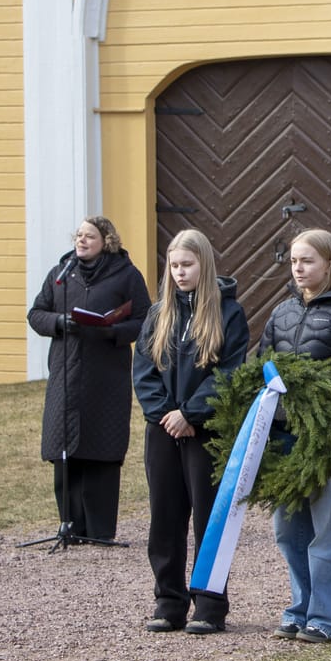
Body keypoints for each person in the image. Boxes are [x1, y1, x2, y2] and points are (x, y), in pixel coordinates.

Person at [259, 228, 331, 644]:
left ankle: (327, 618)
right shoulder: (281, 312)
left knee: (328, 528)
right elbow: (263, 365)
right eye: (293, 261)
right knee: (288, 529)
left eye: (307, 261)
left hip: (327, 434)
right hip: (285, 434)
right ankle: (300, 609)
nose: (298, 268)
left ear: (329, 263)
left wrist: (315, 405)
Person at [133, 229, 249, 635]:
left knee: (208, 518)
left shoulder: (228, 314)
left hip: (206, 432)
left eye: (187, 265)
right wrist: (166, 414)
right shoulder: (158, 314)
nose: (180, 273)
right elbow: (144, 370)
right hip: (163, 431)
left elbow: (228, 372)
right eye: (174, 266)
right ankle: (169, 602)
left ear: (204, 264)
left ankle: (210, 605)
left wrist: (191, 413)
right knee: (165, 517)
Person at [28, 216, 150, 543]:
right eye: (79, 235)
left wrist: (113, 331)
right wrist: (59, 322)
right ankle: (71, 527)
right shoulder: (61, 274)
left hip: (105, 377)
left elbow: (145, 319)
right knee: (64, 449)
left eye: (89, 236)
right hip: (65, 376)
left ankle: (99, 531)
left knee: (101, 449)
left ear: (106, 241)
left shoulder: (126, 275)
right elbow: (36, 314)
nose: (81, 240)